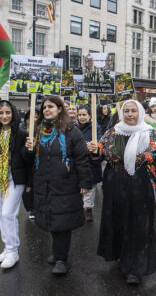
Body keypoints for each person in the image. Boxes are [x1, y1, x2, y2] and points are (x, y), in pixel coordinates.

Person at [90, 99, 156, 285]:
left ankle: (135, 267)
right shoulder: (112, 133)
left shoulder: (151, 135)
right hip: (114, 185)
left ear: (140, 113)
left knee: (138, 225)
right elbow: (100, 154)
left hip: (140, 186)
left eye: (133, 111)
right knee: (118, 222)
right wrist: (95, 151)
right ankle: (121, 257)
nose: (130, 114)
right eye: (126, 111)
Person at [24, 96, 92, 275]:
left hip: (65, 184)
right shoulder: (37, 131)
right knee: (51, 217)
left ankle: (61, 258)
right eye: (44, 107)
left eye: (51, 106)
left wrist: (85, 182)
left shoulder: (71, 131)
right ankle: (57, 252)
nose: (47, 110)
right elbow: (29, 161)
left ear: (60, 109)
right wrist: (28, 149)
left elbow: (81, 158)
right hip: (43, 183)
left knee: (62, 220)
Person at [0, 100, 28, 268]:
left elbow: (28, 160)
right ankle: (7, 248)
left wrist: (29, 149)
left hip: (15, 179)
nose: (4, 116)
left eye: (7, 112)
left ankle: (13, 251)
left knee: (7, 214)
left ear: (13, 114)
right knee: (1, 216)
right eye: (1, 113)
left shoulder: (21, 133)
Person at [77, 105, 102, 221]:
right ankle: (79, 208)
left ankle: (88, 209)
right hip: (78, 162)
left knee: (90, 189)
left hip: (91, 162)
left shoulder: (95, 128)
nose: (81, 117)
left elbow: (99, 144)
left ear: (90, 116)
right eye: (79, 115)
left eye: (84, 115)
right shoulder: (74, 128)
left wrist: (93, 146)